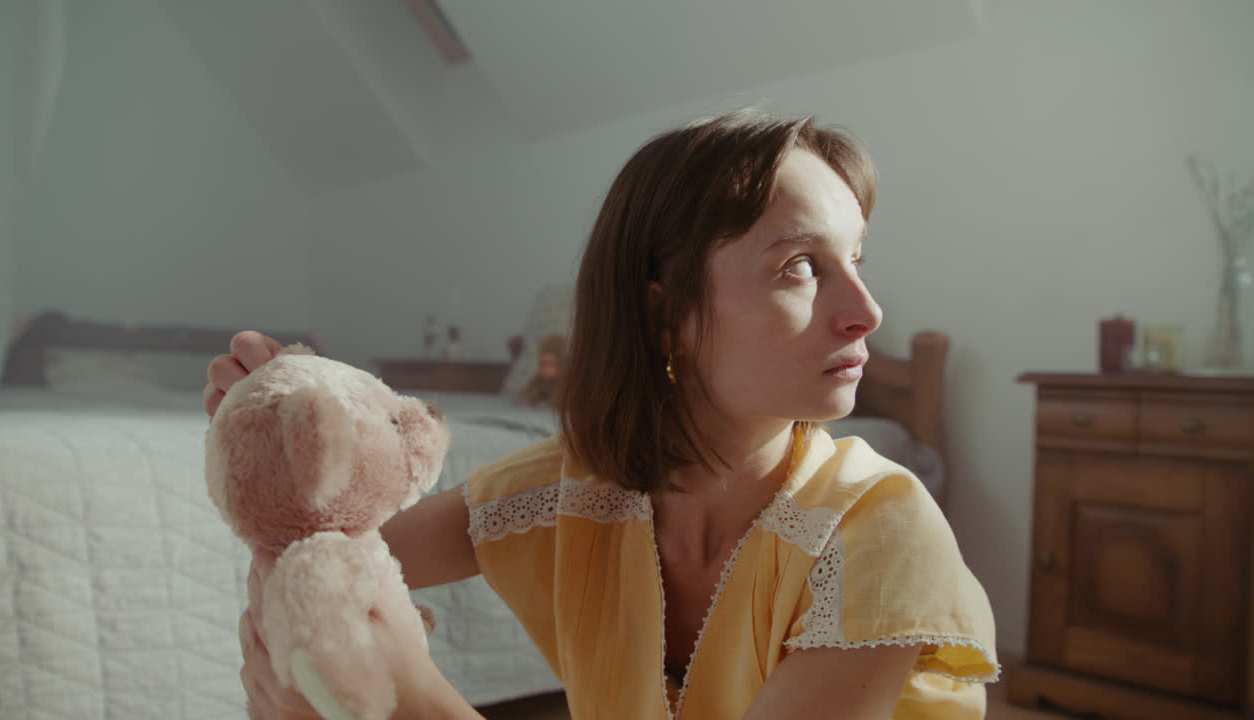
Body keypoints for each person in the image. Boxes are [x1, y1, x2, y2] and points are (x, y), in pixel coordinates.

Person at [205, 109, 998, 720]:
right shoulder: (573, 492)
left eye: (855, 261)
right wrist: (279, 446)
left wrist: (417, 700)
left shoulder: (885, 532)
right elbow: (320, 544)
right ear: (665, 314)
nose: (867, 310)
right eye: (801, 267)